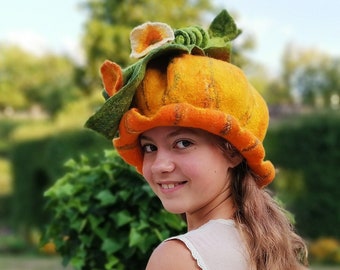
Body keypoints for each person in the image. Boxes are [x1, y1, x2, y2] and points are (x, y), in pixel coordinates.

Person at [86, 10, 309, 270]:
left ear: (233, 152)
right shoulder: (264, 244)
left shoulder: (178, 257)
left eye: (183, 143)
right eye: (149, 147)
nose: (159, 165)